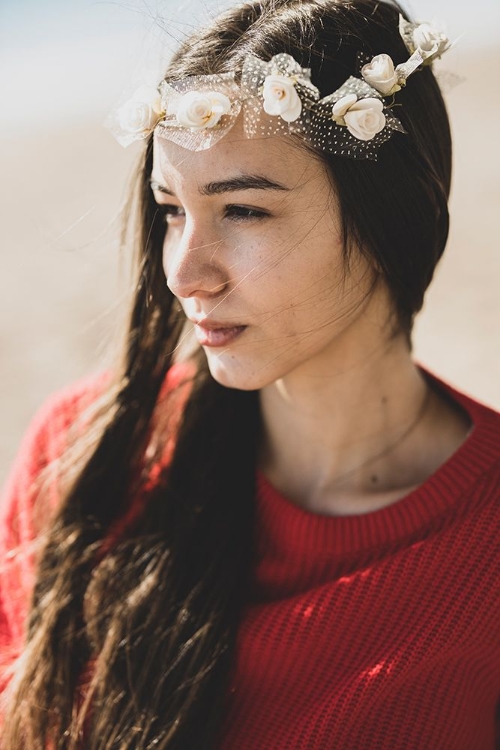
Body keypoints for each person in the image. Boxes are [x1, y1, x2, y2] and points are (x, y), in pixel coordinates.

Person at [1, 0, 499, 747]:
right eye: (171, 209)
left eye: (243, 211)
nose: (185, 273)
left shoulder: (481, 542)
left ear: (390, 214)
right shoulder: (89, 455)